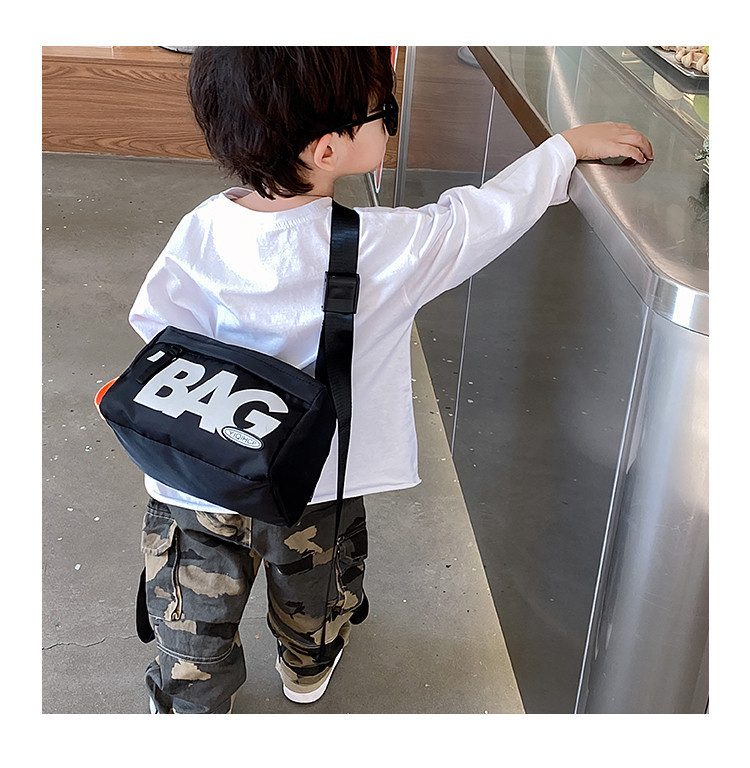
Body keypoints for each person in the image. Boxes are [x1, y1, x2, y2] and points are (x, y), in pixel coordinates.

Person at [128, 46, 653, 714]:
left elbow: (156, 327)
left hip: (195, 474)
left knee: (190, 606)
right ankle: (305, 671)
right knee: (316, 592)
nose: (391, 122)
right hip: (315, 482)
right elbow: (483, 216)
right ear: (327, 149)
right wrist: (564, 150)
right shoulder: (385, 246)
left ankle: (191, 701)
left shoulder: (202, 226)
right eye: (386, 113)